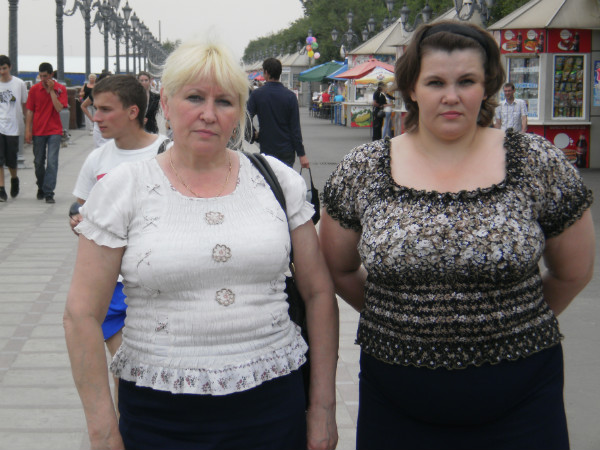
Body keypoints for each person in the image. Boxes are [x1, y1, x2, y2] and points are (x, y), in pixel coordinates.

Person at [320, 21, 594, 450]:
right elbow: (338, 268)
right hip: (396, 403)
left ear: (487, 86)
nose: (451, 96)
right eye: (435, 82)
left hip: (522, 402)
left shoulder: (537, 161)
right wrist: (400, 317)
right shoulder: (363, 168)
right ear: (412, 89)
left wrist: (507, 323)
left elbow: (572, 272)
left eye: (466, 81)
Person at [64, 40, 338, 450]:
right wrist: (103, 432)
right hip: (159, 413)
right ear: (166, 103)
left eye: (224, 101)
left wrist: (323, 407)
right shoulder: (124, 188)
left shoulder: (277, 180)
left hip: (273, 404)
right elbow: (81, 315)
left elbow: (318, 293)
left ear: (239, 112)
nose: (209, 114)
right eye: (195, 97)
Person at [69, 74, 170, 413]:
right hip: (113, 285)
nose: (96, 117)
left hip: (159, 281)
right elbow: (82, 210)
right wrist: (77, 222)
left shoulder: (167, 152)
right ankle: (127, 430)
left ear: (132, 111)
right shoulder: (97, 160)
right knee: (125, 368)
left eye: (105, 110)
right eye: (95, 109)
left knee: (157, 370)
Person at [247, 58, 309, 168]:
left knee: (269, 178)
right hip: (287, 150)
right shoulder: (290, 96)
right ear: (280, 73)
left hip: (267, 148)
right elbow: (295, 128)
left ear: (266, 72)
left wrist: (254, 135)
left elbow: (246, 117)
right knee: (285, 178)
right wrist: (301, 154)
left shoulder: (257, 95)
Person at [25, 62, 68, 204]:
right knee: (38, 162)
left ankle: (49, 192)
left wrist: (51, 91)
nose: (43, 79)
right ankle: (41, 185)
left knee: (52, 161)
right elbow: (30, 111)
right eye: (41, 76)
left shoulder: (60, 89)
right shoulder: (34, 90)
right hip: (38, 130)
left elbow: (59, 108)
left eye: (45, 76)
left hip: (54, 130)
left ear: (51, 75)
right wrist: (27, 130)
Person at [0, 55, 28, 202]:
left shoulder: (19, 84)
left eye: (4, 68)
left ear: (10, 67)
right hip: (0, 125)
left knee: (11, 159)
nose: (2, 71)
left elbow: (25, 105)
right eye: (0, 69)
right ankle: (1, 189)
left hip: (14, 127)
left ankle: (14, 178)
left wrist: (28, 126)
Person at [81, 71, 112, 149]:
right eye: (105, 80)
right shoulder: (96, 93)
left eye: (110, 80)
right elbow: (83, 106)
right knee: (100, 150)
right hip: (99, 127)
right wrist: (92, 119)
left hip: (112, 126)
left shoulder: (116, 94)